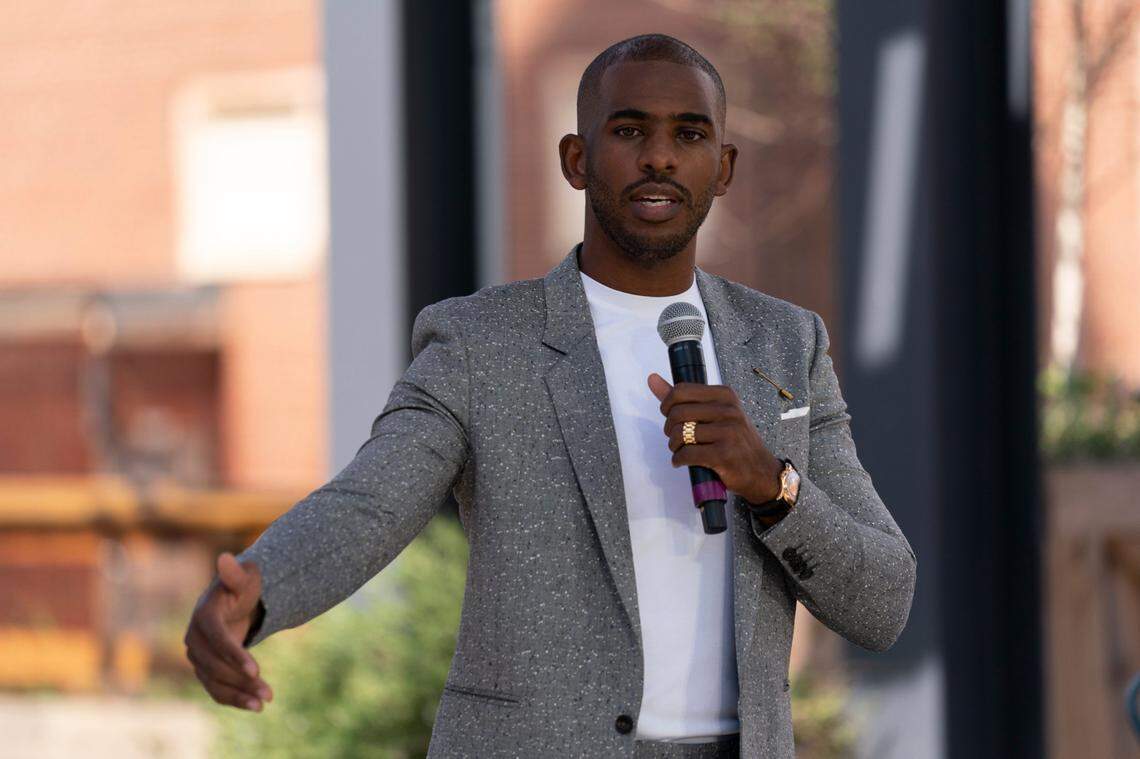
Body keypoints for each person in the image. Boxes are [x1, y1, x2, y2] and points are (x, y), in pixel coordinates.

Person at [184, 33, 916, 759]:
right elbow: (372, 501)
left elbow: (883, 599)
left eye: (688, 135)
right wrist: (260, 586)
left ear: (721, 168)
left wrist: (772, 486)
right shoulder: (480, 342)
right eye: (629, 130)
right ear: (576, 159)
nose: (660, 156)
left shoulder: (788, 344)